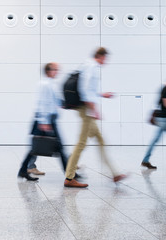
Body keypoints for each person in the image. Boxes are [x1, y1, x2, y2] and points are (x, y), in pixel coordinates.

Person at [64, 47, 126, 188]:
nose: (106, 61)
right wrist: (93, 108)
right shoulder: (92, 66)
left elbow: (88, 89)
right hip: (86, 110)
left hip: (86, 108)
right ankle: (69, 177)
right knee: (81, 144)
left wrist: (101, 94)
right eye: (106, 58)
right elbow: (84, 89)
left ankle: (115, 173)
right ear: (101, 56)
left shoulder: (87, 65)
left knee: (100, 140)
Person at [17, 62, 81, 184]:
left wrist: (68, 105)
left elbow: (55, 101)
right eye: (55, 69)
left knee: (39, 148)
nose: (57, 71)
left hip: (50, 119)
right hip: (45, 120)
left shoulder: (51, 84)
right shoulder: (44, 84)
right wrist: (44, 122)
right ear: (48, 70)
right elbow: (42, 103)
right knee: (46, 148)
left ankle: (23, 170)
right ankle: (70, 176)